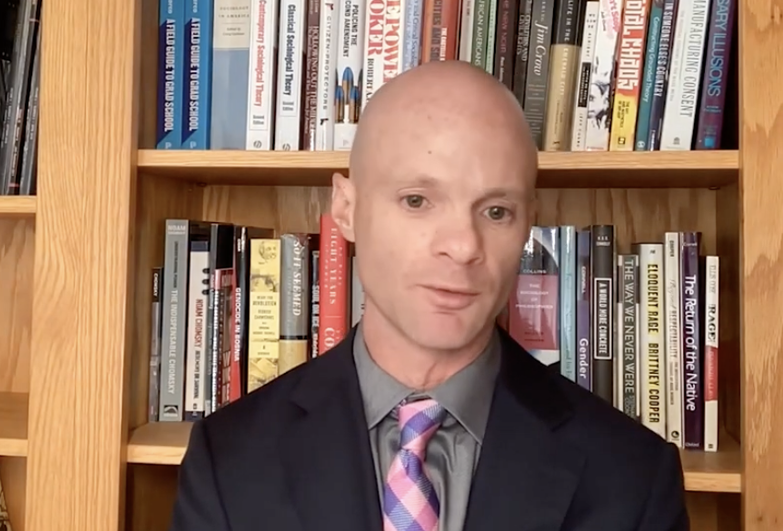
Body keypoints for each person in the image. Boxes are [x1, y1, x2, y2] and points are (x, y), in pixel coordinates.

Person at [167, 60, 689, 531]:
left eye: (497, 211)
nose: (463, 247)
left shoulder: (634, 476)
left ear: (528, 223)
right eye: (417, 200)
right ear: (346, 209)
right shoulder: (228, 461)